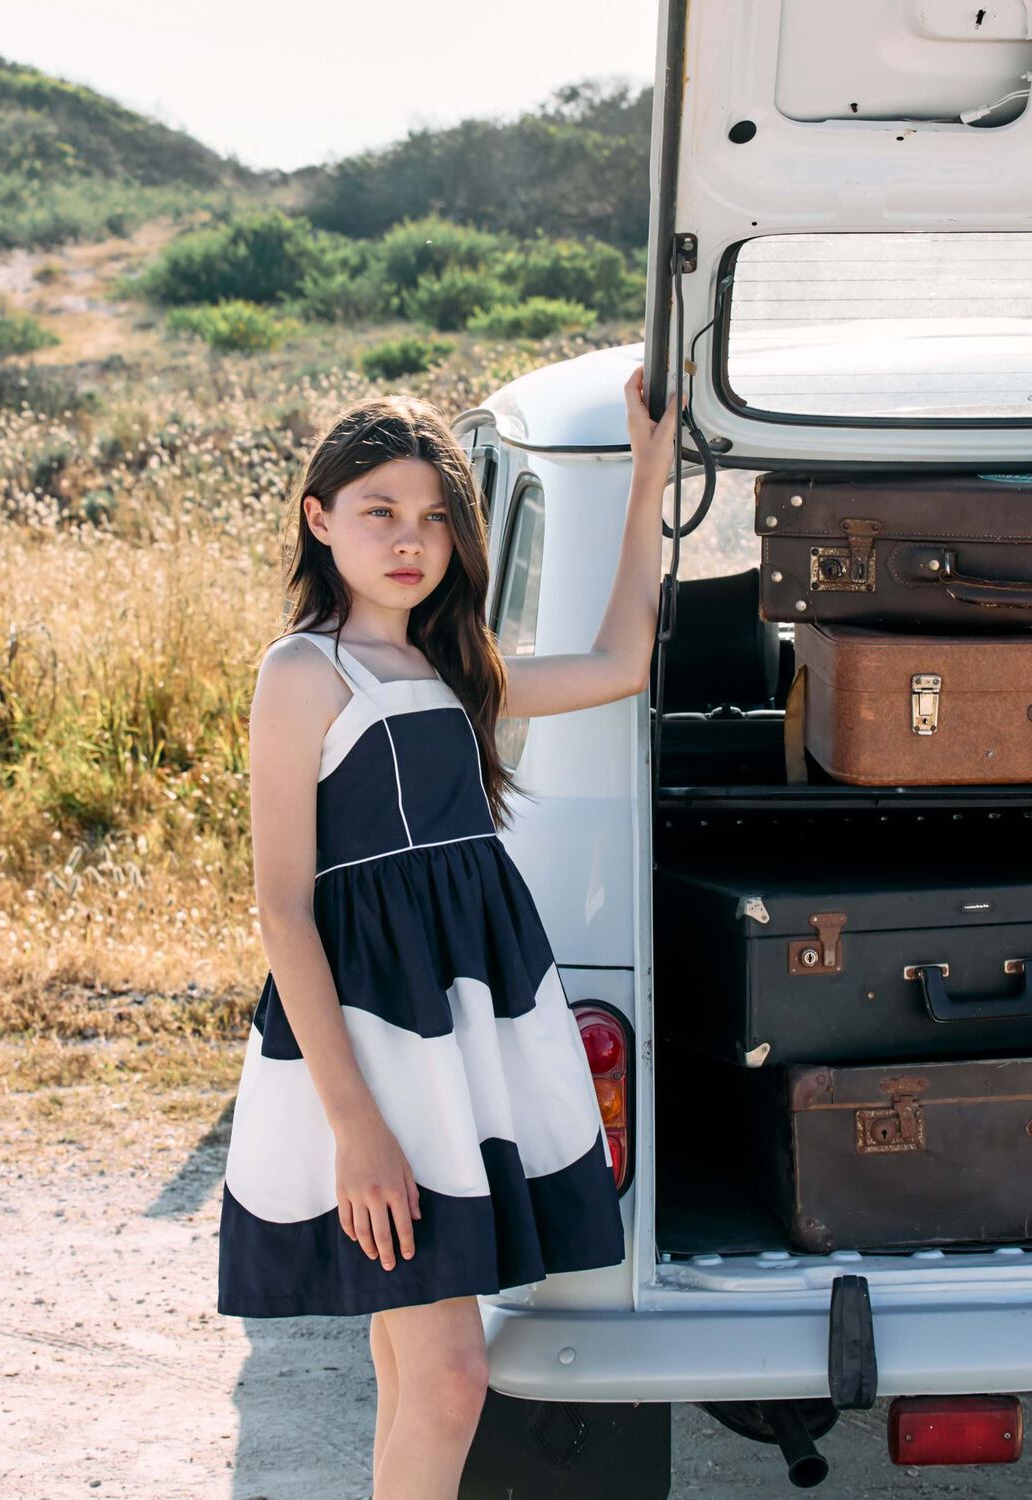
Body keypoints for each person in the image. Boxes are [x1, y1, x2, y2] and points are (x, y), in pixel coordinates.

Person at [217, 366, 679, 1499]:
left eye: (434, 517)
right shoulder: (302, 672)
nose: (409, 539)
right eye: (379, 511)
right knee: (452, 1375)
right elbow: (283, 907)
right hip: (377, 1062)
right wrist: (354, 1128)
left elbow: (623, 662)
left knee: (417, 1369)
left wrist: (650, 481)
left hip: (460, 1049)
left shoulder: (450, 670)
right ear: (320, 520)